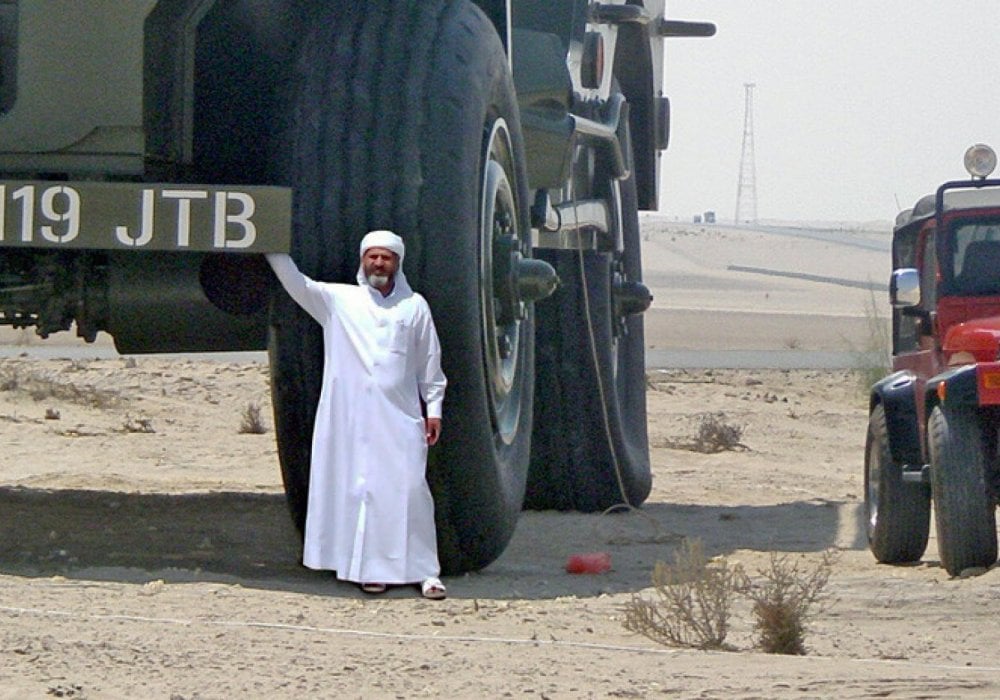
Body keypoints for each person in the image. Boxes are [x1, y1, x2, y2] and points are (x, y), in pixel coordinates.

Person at [266, 230, 448, 599]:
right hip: (351, 421)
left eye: (386, 258)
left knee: (411, 491)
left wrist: (434, 409)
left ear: (397, 263)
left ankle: (427, 572)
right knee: (362, 491)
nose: (379, 263)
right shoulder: (338, 300)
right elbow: (296, 283)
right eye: (373, 257)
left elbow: (430, 364)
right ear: (363, 261)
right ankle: (371, 570)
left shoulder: (414, 307)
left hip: (401, 417)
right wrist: (267, 244)